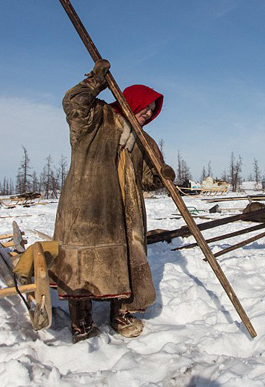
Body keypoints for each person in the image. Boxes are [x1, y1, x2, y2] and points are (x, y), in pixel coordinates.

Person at [51, 59, 174, 343]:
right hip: (88, 202)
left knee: (128, 258)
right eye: (144, 107)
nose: (147, 114)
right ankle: (81, 321)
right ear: (131, 100)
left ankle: (121, 314)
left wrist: (161, 174)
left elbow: (147, 179)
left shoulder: (145, 141)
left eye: (152, 111)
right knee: (82, 263)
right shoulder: (96, 117)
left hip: (125, 211)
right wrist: (96, 81)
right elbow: (73, 104)